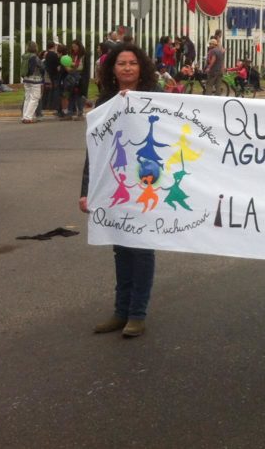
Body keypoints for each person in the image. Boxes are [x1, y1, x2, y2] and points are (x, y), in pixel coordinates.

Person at [78, 45, 159, 338]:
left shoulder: (156, 98)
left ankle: (137, 313)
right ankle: (120, 310)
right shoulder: (104, 103)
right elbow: (94, 152)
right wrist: (87, 190)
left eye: (133, 63)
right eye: (121, 63)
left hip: (147, 184)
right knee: (120, 246)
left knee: (141, 247)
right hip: (115, 185)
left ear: (141, 68)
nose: (127, 68)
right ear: (112, 68)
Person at [20, 42, 44, 124]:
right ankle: (28, 117)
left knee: (27, 98)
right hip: (35, 79)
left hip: (26, 79)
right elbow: (41, 67)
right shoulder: (34, 57)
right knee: (34, 98)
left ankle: (24, 116)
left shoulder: (24, 56)